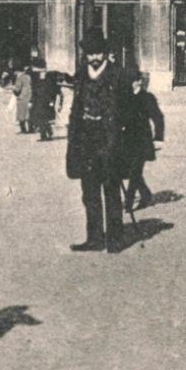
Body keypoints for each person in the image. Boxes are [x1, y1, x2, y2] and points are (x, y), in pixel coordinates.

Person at [67, 28, 128, 253]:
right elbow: (77, 106)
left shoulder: (116, 75)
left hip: (109, 141)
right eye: (89, 54)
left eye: (97, 53)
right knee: (89, 193)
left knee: (111, 191)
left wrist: (118, 140)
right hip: (86, 141)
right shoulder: (82, 74)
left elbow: (126, 110)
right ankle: (94, 238)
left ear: (105, 53)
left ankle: (115, 239)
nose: (93, 58)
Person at [120, 71, 165, 211]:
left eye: (132, 81)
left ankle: (128, 203)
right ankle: (146, 194)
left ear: (139, 82)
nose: (129, 84)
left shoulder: (147, 98)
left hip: (142, 140)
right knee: (133, 171)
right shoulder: (125, 97)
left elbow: (158, 117)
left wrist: (158, 138)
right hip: (127, 140)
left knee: (135, 171)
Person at [13, 66, 34, 134]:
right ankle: (31, 129)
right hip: (30, 96)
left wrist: (14, 91)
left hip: (22, 97)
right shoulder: (32, 77)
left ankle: (23, 129)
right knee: (29, 114)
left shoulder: (20, 77)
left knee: (21, 114)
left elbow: (17, 89)